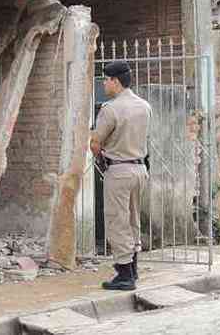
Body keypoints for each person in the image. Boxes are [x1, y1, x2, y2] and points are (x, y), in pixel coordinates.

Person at [90, 61, 151, 291]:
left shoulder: (111, 109)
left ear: (115, 81)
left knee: (117, 221)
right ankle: (133, 269)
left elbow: (96, 142)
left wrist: (100, 157)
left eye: (106, 79)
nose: (104, 83)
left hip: (119, 170)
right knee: (133, 219)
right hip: (139, 169)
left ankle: (124, 274)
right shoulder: (144, 106)